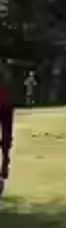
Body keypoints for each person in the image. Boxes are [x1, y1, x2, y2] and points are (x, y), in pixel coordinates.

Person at [0, 63, 14, 198]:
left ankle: (4, 167)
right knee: (6, 139)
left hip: (5, 105)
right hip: (6, 104)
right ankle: (4, 166)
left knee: (6, 139)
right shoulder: (5, 70)